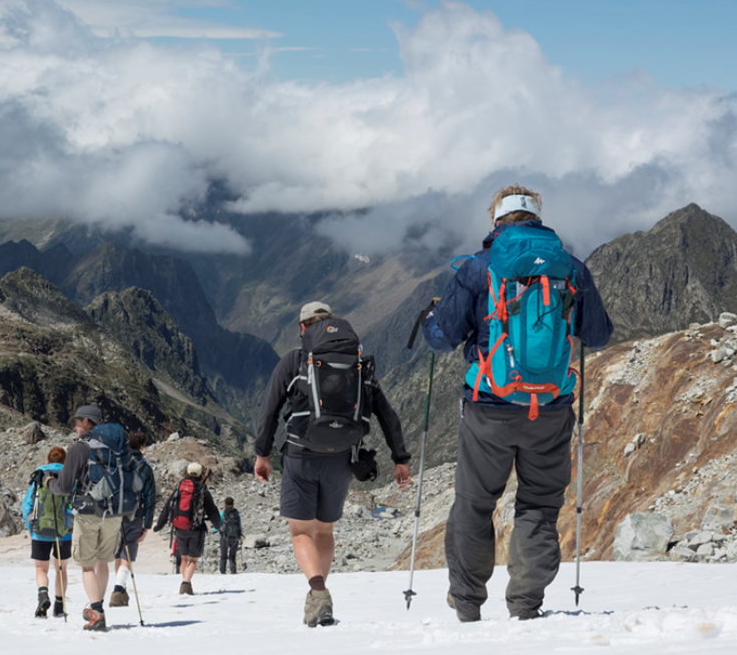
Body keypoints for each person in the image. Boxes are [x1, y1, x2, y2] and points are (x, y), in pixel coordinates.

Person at [421, 185, 613, 622]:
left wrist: (433, 318)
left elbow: (442, 339)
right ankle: (526, 606)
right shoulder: (571, 269)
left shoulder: (477, 268)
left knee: (474, 503)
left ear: (496, 220)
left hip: (489, 404)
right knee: (540, 506)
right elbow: (598, 335)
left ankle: (468, 604)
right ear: (537, 217)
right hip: (550, 408)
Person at [254, 301, 412, 627]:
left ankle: (318, 590)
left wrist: (263, 453)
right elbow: (386, 412)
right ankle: (320, 594)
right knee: (324, 530)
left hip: (300, 454)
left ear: (303, 328)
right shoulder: (358, 364)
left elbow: (270, 409)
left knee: (301, 531)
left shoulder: (295, 361)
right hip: (342, 457)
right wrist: (400, 458)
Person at [46, 404, 120, 632]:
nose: (75, 426)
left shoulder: (79, 449)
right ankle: (97, 606)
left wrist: (50, 483)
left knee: (87, 567)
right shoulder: (115, 447)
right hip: (115, 513)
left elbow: (65, 486)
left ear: (88, 423)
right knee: (103, 562)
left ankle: (97, 614)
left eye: (78, 421)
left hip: (88, 512)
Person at [153, 462, 222, 595]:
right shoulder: (202, 491)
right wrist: (219, 526)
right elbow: (212, 511)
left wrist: (159, 526)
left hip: (179, 528)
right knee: (193, 560)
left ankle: (184, 581)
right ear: (201, 474)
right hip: (196, 529)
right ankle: (186, 583)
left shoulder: (179, 488)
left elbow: (168, 507)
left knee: (184, 559)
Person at [21, 446, 73, 619]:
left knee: (40, 568)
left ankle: (43, 596)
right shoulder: (69, 477)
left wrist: (31, 528)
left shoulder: (38, 476)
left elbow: (27, 505)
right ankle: (59, 605)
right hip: (64, 532)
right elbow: (73, 505)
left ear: (48, 460)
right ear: (65, 461)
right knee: (61, 569)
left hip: (40, 531)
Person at [109, 431, 157, 608]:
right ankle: (118, 589)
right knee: (128, 552)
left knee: (118, 552)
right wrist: (147, 525)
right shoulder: (145, 468)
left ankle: (120, 591)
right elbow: (151, 498)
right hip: (135, 514)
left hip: (115, 513)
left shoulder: (116, 463)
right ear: (142, 446)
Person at [218, 496, 243, 574]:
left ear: (225, 504)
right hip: (235, 537)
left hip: (225, 537)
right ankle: (233, 570)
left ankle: (222, 571)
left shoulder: (223, 514)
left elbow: (219, 526)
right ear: (233, 504)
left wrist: (211, 530)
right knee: (232, 556)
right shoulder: (237, 514)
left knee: (223, 556)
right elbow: (239, 526)